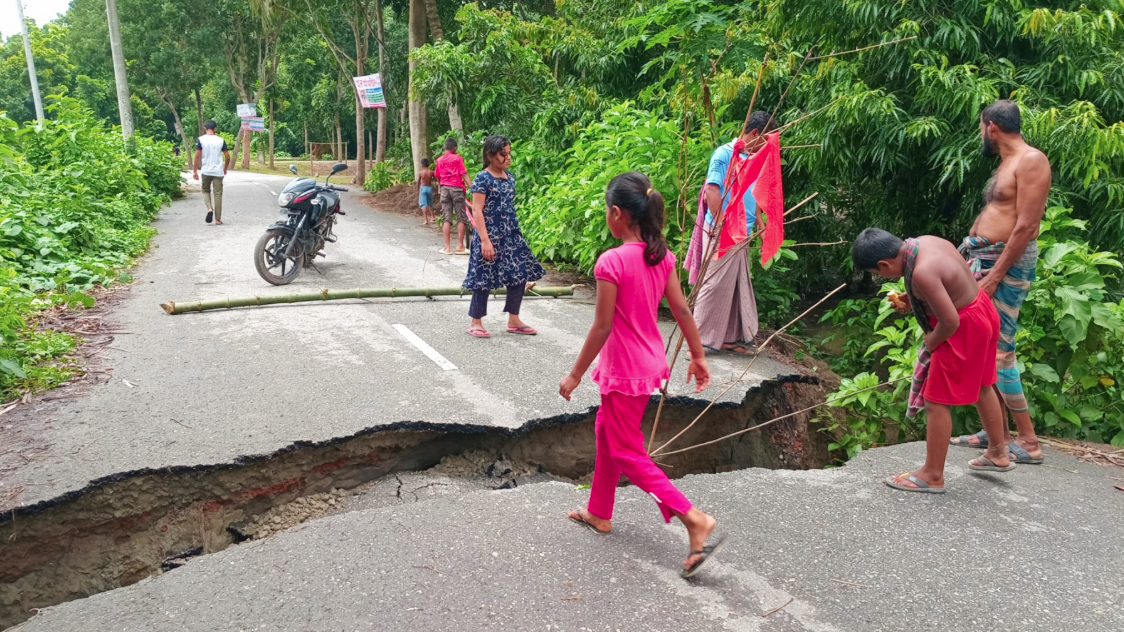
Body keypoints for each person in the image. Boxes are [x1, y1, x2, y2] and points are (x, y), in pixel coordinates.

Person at [560, 172, 723, 578]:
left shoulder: (611, 262)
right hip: (647, 365)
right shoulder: (660, 255)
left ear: (617, 214)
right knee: (607, 432)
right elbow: (683, 310)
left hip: (625, 370)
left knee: (626, 450)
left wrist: (576, 374)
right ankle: (599, 511)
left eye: (605, 210)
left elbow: (602, 326)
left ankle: (693, 518)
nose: (605, 216)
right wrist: (698, 356)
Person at [853, 228, 1012, 493]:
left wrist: (932, 341)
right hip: (983, 312)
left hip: (962, 327)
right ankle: (997, 452)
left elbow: (950, 321)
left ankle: (932, 475)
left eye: (878, 274)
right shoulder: (926, 242)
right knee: (984, 384)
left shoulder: (921, 273)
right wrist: (916, 298)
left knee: (936, 400)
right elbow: (950, 281)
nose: (881, 278)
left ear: (883, 264)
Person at [949, 100, 1051, 466]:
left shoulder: (1031, 160)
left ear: (991, 126)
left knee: (1001, 351)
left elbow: (1026, 226)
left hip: (1005, 265)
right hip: (984, 258)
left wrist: (993, 276)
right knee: (980, 343)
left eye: (981, 127)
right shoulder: (1007, 164)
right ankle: (997, 433)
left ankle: (1028, 440)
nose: (982, 134)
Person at [689, 111, 776, 355]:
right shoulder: (725, 154)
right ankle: (698, 341)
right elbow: (712, 191)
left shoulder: (751, 157)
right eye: (764, 139)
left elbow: (754, 191)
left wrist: (759, 220)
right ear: (756, 133)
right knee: (714, 283)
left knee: (736, 284)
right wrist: (720, 225)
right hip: (723, 230)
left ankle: (729, 337)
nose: (766, 146)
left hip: (742, 231)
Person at [463, 136, 544, 338]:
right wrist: (484, 240)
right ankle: (476, 322)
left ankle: (514, 319)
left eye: (509, 153)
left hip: (511, 234)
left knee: (519, 272)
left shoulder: (510, 177)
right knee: (482, 277)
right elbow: (478, 211)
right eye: (503, 153)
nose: (508, 157)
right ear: (490, 155)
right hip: (489, 235)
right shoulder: (482, 178)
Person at [434, 137, 472, 255]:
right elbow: (464, 174)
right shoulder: (457, 158)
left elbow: (437, 175)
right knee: (461, 217)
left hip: (445, 189)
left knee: (447, 217)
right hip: (457, 189)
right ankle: (460, 246)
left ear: (445, 148)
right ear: (454, 148)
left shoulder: (439, 160)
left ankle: (447, 247)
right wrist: (474, 188)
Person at [192, 120, 231, 225]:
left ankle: (209, 208)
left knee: (205, 190)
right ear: (215, 129)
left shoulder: (201, 140)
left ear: (205, 128)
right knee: (218, 194)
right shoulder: (221, 140)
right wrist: (225, 168)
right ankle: (218, 219)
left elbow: (197, 156)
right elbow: (227, 156)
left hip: (206, 171)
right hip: (218, 172)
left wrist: (195, 170)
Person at [417, 157, 435, 226]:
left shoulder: (421, 173)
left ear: (422, 165)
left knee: (423, 204)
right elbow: (436, 179)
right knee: (430, 203)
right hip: (429, 188)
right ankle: (433, 217)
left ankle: (426, 220)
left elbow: (418, 182)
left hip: (423, 188)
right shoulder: (431, 172)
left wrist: (418, 188)